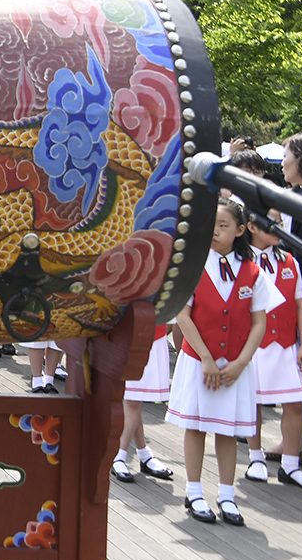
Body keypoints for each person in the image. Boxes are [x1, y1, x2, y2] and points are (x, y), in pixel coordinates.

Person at [166, 198, 279, 525]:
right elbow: (182, 315)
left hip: (235, 366)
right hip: (199, 360)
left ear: (241, 230)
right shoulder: (192, 265)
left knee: (227, 430)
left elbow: (259, 322)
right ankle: (194, 491)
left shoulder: (254, 271)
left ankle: (227, 495)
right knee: (197, 426)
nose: (214, 232)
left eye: (223, 225)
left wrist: (242, 362)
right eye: (210, 225)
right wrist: (206, 358)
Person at [245, 207, 302, 489]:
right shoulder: (239, 261)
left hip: (286, 344)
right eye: (271, 222)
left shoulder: (290, 261)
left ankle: (290, 465)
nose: (278, 226)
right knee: (253, 403)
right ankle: (255, 457)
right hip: (253, 345)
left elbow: (300, 304)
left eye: (280, 221)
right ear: (250, 226)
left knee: (295, 404)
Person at [280, 132, 302, 450]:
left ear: (301, 159)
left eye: (286, 154)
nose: (282, 161)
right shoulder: (301, 194)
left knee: (301, 364)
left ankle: (296, 439)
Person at [111, 320, 176, 484]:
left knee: (134, 399)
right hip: (125, 331)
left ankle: (142, 453)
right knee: (133, 399)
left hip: (152, 331)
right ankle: (119, 455)